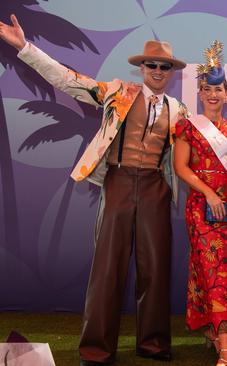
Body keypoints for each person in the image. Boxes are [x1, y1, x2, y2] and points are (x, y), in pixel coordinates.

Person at [0, 14, 188, 366]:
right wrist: (24, 46)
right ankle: (96, 350)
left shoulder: (179, 111)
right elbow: (67, 79)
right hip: (117, 181)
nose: (158, 71)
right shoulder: (117, 92)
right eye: (152, 64)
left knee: (157, 267)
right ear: (142, 67)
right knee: (107, 268)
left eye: (165, 66)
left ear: (171, 71)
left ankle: (154, 344)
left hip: (155, 188)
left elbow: (206, 141)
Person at [173, 41, 227, 366]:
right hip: (203, 207)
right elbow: (181, 167)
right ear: (200, 94)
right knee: (209, 268)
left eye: (219, 89)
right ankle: (225, 345)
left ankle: (218, 331)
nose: (214, 94)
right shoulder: (188, 127)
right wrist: (208, 192)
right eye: (207, 89)